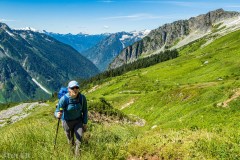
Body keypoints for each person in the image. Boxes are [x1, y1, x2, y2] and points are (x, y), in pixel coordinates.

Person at [55, 80, 88, 155]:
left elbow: (85, 110)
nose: (75, 89)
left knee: (79, 138)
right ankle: (71, 154)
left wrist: (85, 123)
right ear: (69, 89)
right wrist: (57, 115)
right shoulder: (64, 99)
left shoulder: (82, 98)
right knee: (70, 141)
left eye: (77, 87)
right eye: (73, 88)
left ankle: (77, 156)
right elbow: (57, 111)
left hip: (78, 121)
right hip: (66, 122)